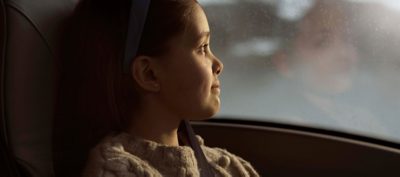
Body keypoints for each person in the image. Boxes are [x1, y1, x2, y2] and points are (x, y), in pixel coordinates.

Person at [57, 0, 260, 176]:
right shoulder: (113, 171)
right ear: (149, 74)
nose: (218, 65)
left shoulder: (229, 167)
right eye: (202, 48)